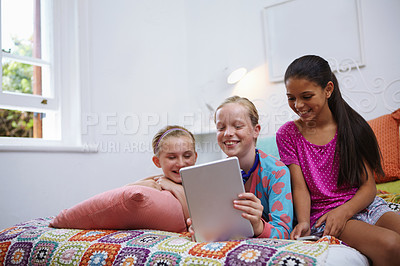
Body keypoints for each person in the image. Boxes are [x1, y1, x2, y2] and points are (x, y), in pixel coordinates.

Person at [276, 55, 400, 265]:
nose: (298, 105)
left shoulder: (351, 127)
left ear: (328, 89)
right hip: (325, 216)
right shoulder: (288, 134)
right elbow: (299, 188)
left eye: (306, 96)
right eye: (291, 98)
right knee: (392, 244)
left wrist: (345, 211)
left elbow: (368, 187)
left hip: (364, 206)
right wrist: (304, 222)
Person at [187, 96, 293, 239]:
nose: (227, 133)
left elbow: (284, 233)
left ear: (256, 130)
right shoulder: (213, 176)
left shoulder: (277, 173)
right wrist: (202, 228)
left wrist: (257, 225)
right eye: (221, 128)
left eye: (237, 126)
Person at [129, 125, 197, 221]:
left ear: (195, 157)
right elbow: (121, 193)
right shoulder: (157, 181)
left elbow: (196, 219)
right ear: (157, 161)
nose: (181, 163)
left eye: (187, 156)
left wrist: (175, 188)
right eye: (172, 157)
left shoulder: (202, 184)